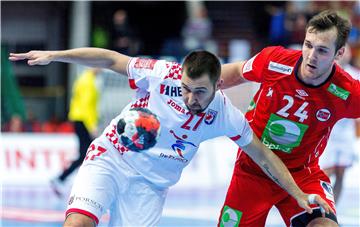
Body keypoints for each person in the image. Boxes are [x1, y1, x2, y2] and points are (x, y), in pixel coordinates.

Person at [9, 48, 332, 226]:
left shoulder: (225, 115)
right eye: (187, 89)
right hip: (111, 159)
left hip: (151, 186)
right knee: (79, 223)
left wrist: (299, 195)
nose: (191, 97)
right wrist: (56, 54)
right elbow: (111, 59)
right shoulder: (162, 74)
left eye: (200, 91)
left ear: (218, 86)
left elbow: (263, 155)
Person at [219, 10, 359, 226]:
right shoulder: (274, 61)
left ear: (339, 54)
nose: (311, 56)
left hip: (303, 174)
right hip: (253, 169)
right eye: (308, 45)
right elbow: (238, 71)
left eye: (322, 50)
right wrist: (193, 84)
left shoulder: (346, 91)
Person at [319, 44, 360, 203]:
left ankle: (332, 212)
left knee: (341, 172)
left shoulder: (356, 74)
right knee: (325, 172)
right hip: (327, 129)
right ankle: (320, 211)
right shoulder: (326, 73)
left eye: (347, 52)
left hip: (346, 131)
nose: (345, 55)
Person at [51, 68, 100, 196]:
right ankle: (62, 178)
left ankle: (62, 178)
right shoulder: (88, 82)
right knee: (88, 154)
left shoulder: (82, 79)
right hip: (83, 121)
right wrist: (92, 125)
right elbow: (86, 106)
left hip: (79, 119)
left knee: (86, 154)